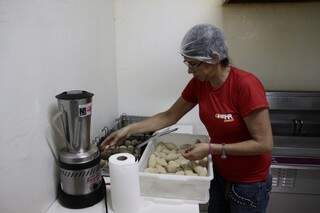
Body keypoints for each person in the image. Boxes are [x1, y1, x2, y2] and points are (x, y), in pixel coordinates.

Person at [100, 24, 273, 213]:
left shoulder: (245, 85)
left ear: (214, 58)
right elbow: (169, 116)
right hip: (220, 173)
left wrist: (211, 148)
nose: (189, 70)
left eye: (193, 64)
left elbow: (264, 144)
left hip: (249, 184)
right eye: (187, 63)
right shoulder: (200, 84)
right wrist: (128, 129)